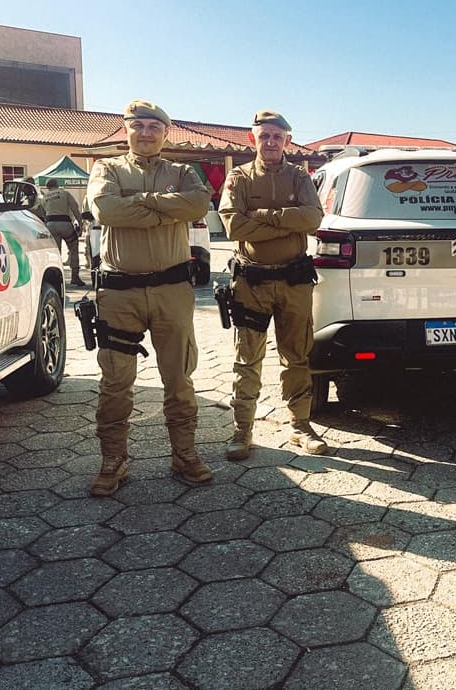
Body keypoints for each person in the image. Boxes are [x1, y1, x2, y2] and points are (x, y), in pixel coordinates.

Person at [85, 99, 213, 496]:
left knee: (178, 378)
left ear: (165, 133)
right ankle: (113, 460)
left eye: (153, 127)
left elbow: (198, 203)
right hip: (119, 293)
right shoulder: (106, 168)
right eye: (137, 125)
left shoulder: (182, 171)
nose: (145, 133)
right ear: (126, 130)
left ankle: (184, 453)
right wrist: (165, 210)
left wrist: (141, 203)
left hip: (172, 291)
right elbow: (105, 210)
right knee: (116, 382)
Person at [218, 110, 326, 460]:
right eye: (263, 136)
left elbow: (312, 218)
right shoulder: (239, 178)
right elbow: (234, 226)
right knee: (247, 358)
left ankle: (300, 425)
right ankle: (243, 429)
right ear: (253, 139)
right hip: (252, 282)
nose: (270, 142)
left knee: (296, 356)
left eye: (276, 136)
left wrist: (263, 217)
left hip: (294, 280)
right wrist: (286, 222)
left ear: (287, 141)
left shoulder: (299, 177)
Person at [43, 177, 86, 287]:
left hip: (50, 225)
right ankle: (75, 276)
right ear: (57, 184)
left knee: (55, 253)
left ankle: (55, 279)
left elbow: (43, 213)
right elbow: (75, 208)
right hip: (65, 224)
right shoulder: (64, 193)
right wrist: (80, 225)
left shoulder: (44, 198)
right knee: (73, 247)